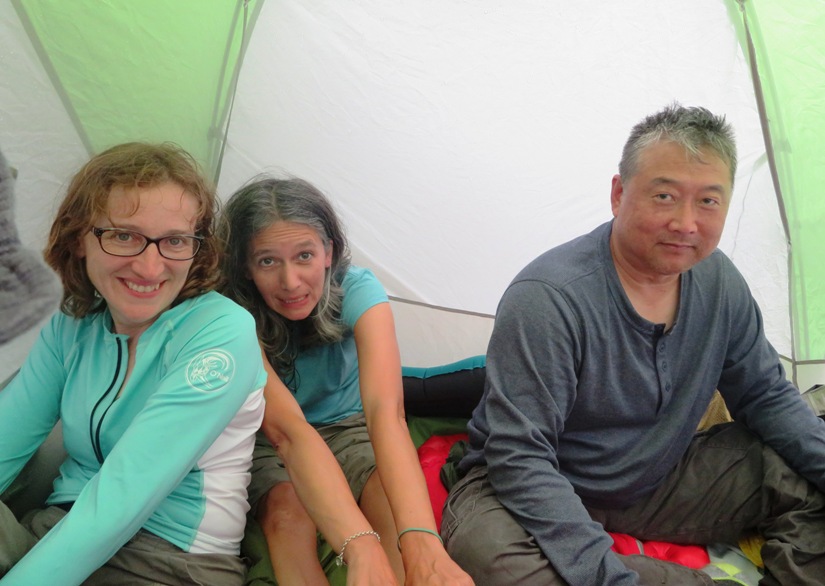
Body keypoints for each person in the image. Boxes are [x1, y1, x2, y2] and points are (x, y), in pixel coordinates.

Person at [441, 104, 825, 585]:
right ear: (619, 194)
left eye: (708, 202)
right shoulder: (549, 298)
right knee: (489, 554)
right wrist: (606, 576)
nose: (686, 223)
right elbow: (520, 458)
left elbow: (766, 395)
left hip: (655, 477)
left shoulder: (720, 283)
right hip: (531, 486)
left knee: (797, 475)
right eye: (665, 196)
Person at [0, 143, 396, 586]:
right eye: (124, 235)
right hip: (56, 532)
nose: (150, 267)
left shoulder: (219, 331)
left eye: (174, 241)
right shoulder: (71, 325)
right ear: (79, 238)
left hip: (169, 561)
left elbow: (124, 497)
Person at [220, 177, 473, 585]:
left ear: (328, 253)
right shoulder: (232, 314)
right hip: (269, 437)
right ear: (246, 267)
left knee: (387, 500)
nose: (290, 281)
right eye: (268, 261)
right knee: (286, 513)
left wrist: (422, 541)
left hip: (347, 426)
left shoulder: (357, 289)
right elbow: (287, 432)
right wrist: (360, 545)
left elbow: (385, 414)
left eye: (304, 255)